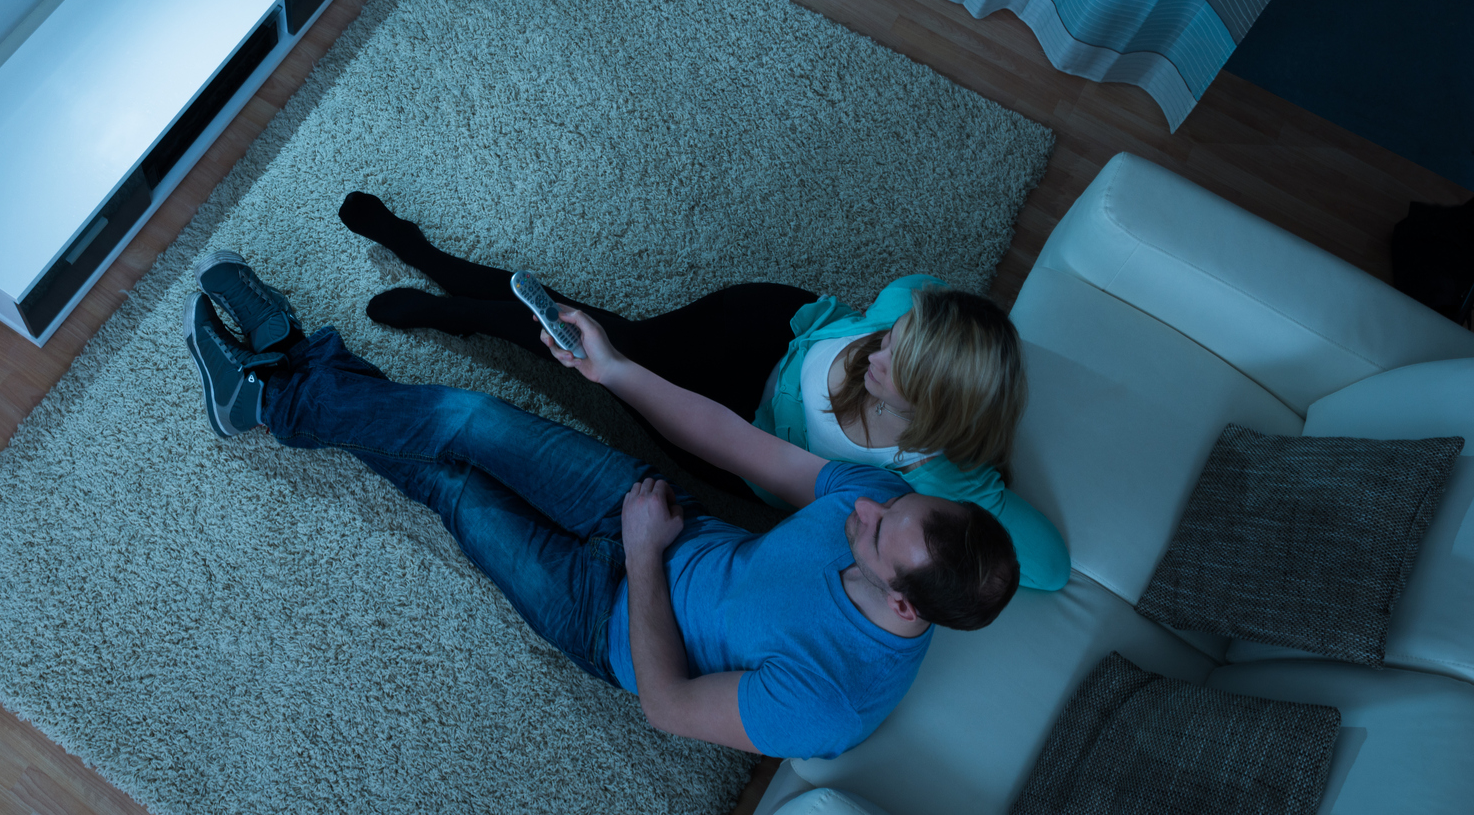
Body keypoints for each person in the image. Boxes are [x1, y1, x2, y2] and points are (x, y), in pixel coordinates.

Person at [183, 249, 1019, 758]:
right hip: (654, 510)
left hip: (604, 615)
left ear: (903, 601)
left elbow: (669, 706)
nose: (860, 515)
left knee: (450, 484)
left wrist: (646, 554)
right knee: (468, 420)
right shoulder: (887, 497)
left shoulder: (830, 701)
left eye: (874, 536)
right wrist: (613, 369)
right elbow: (734, 442)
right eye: (884, 509)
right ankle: (288, 379)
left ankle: (276, 382)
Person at [336, 192, 1071, 591]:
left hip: (734, 428)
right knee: (584, 325)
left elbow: (1049, 566)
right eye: (890, 336)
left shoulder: (943, 478)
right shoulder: (905, 314)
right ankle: (428, 262)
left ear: (935, 415)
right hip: (763, 327)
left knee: (590, 340)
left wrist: (984, 489)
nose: (879, 348)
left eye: (895, 364)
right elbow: (917, 290)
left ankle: (442, 291)